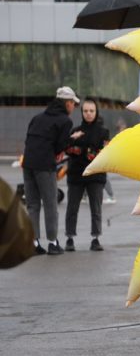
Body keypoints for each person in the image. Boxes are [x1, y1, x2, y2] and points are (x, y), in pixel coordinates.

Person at [22, 86, 79, 255]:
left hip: (28, 163)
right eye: (73, 104)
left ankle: (33, 243)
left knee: (32, 204)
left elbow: (29, 140)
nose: (74, 107)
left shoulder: (37, 118)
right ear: (67, 103)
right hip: (45, 166)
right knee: (50, 204)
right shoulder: (65, 121)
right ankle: (53, 243)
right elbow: (61, 145)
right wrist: (72, 139)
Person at [64, 99, 110, 252]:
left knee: (95, 208)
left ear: (96, 112)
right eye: (86, 111)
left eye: (92, 111)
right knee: (72, 208)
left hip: (96, 175)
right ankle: (69, 238)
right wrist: (82, 149)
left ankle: (95, 238)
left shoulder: (103, 132)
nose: (89, 114)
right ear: (82, 112)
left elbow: (106, 152)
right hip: (76, 175)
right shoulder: (75, 131)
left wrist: (84, 151)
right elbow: (67, 148)